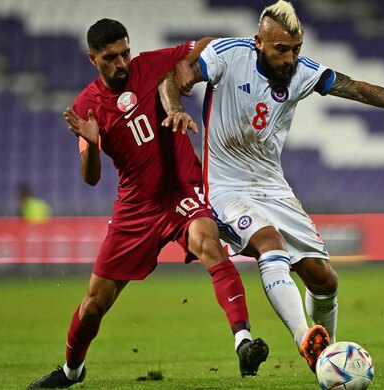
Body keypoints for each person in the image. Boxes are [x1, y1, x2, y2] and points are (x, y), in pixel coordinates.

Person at [161, 1, 384, 372]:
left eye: (296, 49)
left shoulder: (301, 73)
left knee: (324, 280)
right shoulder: (228, 55)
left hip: (273, 186)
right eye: (282, 49)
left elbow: (356, 89)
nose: (290, 58)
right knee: (269, 245)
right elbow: (173, 77)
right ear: (260, 42)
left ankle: (329, 354)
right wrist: (175, 107)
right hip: (227, 187)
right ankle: (308, 341)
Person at [27, 19, 268, 389]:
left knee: (209, 243)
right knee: (94, 304)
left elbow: (203, 44)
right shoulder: (85, 106)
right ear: (94, 60)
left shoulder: (152, 64)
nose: (123, 63)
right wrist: (91, 145)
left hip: (180, 192)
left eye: (126, 52)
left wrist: (243, 45)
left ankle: (243, 342)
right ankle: (72, 371)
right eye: (111, 58)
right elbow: (90, 178)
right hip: (136, 209)